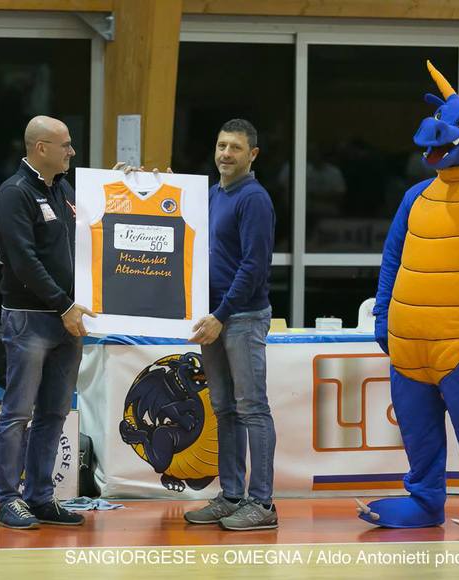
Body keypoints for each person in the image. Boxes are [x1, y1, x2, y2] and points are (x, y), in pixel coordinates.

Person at [0, 115, 95, 529]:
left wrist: (129, 183)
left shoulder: (63, 190)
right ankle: (8, 499)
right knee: (18, 412)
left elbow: (97, 232)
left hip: (67, 318)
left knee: (54, 412)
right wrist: (64, 305)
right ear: (41, 148)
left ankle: (39, 496)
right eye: (65, 145)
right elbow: (24, 263)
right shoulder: (13, 193)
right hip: (30, 318)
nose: (72, 151)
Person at [184, 118, 278, 531]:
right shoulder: (212, 195)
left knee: (252, 408)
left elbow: (254, 267)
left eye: (235, 148)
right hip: (215, 319)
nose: (226, 154)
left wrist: (221, 316)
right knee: (224, 409)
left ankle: (263, 504)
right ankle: (232, 495)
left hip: (240, 318)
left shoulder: (253, 199)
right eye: (222, 145)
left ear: (252, 154)